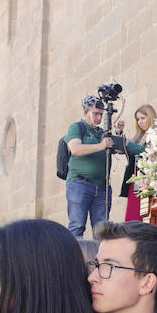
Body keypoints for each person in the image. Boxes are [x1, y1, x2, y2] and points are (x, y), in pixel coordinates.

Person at [64, 96, 118, 237]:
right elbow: (75, 149)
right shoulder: (77, 128)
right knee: (77, 227)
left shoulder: (102, 133)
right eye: (95, 114)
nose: (99, 117)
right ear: (86, 112)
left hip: (102, 187)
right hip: (80, 184)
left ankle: (100, 259)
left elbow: (125, 147)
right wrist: (101, 146)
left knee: (102, 231)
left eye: (101, 114)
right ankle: (75, 259)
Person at [117, 104, 155, 222]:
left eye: (143, 118)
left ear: (150, 117)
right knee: (133, 215)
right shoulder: (139, 137)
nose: (140, 122)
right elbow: (122, 149)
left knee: (143, 215)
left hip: (149, 180)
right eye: (138, 119)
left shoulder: (156, 133)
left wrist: (130, 145)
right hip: (136, 180)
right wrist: (119, 134)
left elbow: (148, 152)